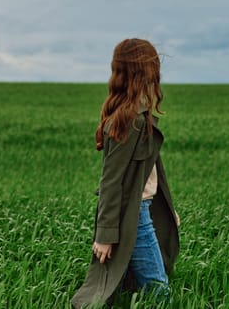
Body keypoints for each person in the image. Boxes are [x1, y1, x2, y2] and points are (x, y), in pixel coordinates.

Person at [71, 38, 180, 308]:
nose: (157, 76)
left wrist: (170, 208)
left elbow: (154, 168)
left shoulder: (141, 117)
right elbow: (111, 182)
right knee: (159, 291)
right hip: (134, 214)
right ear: (141, 74)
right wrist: (105, 235)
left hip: (145, 207)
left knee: (127, 283)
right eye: (153, 69)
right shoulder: (128, 121)